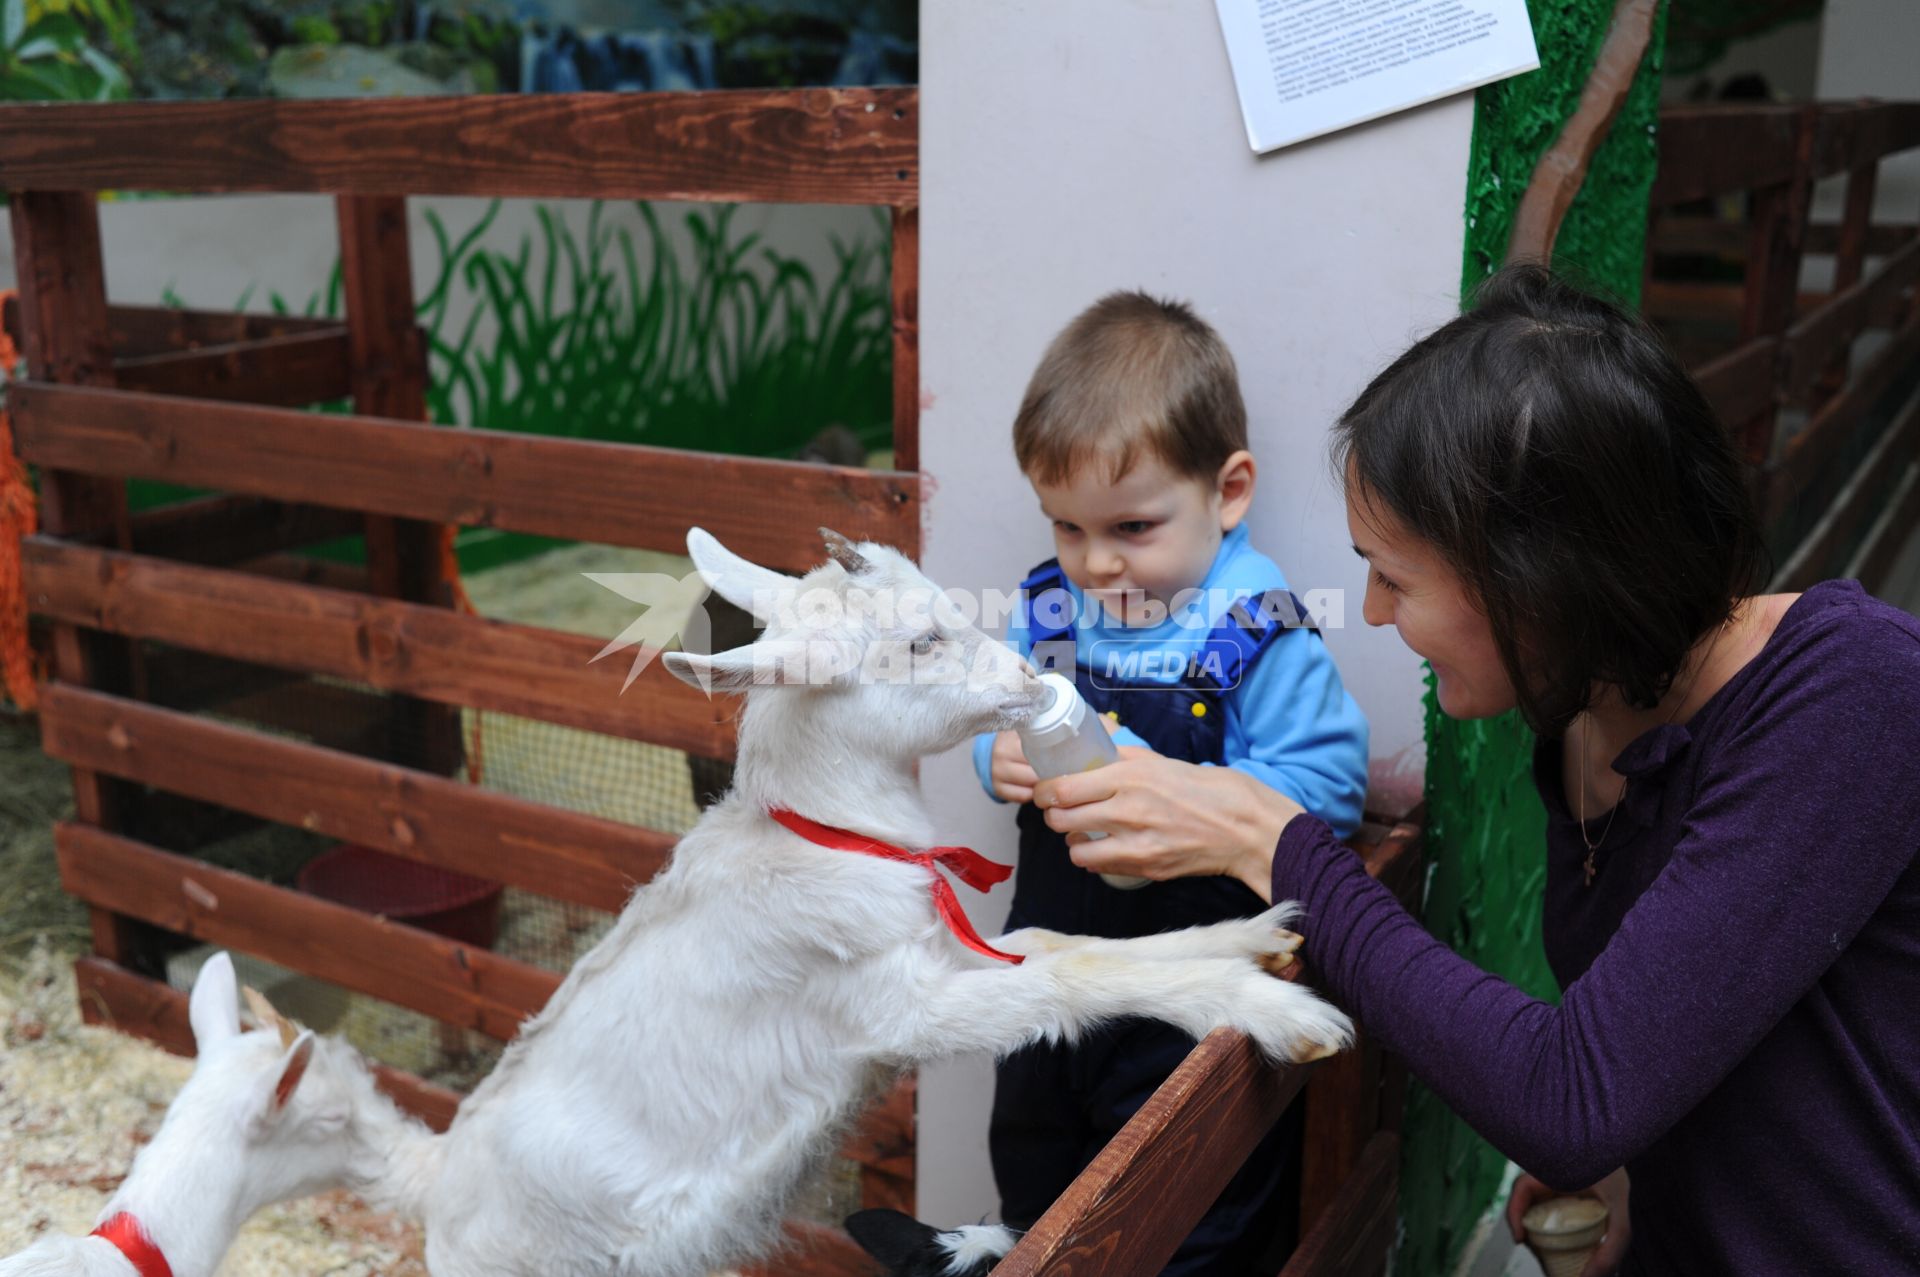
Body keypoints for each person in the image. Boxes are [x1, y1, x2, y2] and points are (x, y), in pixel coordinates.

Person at [1029, 265, 1920, 1275]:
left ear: (1536, 574)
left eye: (1393, 575)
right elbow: (1698, 1017)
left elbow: (1572, 1095)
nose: (1370, 611)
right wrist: (1640, 1173)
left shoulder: (1858, 693)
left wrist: (1272, 844)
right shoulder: (1586, 726)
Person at [971, 290, 1370, 1275]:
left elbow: (1331, 783)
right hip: (1056, 975)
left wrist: (1196, 795)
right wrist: (1000, 758)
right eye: (1066, 525)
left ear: (1228, 491)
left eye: (1132, 526)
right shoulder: (1048, 611)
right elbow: (989, 725)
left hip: (1196, 995)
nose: (1095, 561)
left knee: (1198, 1214)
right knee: (1036, 1169)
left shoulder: (1255, 623)